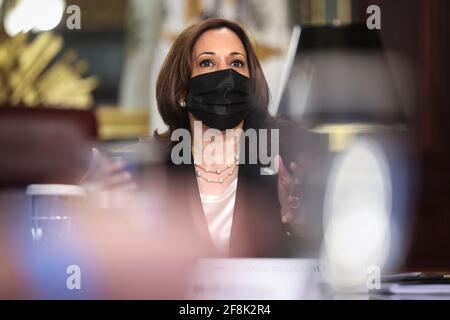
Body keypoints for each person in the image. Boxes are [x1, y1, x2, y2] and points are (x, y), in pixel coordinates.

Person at [87, 18, 322, 258]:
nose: (226, 75)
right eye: (207, 62)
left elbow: (337, 248)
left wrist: (298, 216)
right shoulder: (146, 169)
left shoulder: (290, 154)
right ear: (181, 90)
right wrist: (98, 213)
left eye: (236, 63)